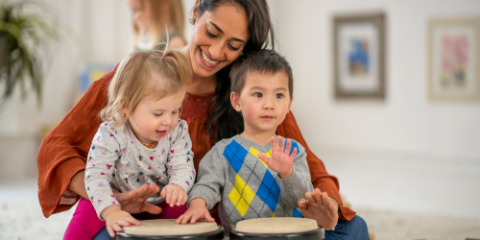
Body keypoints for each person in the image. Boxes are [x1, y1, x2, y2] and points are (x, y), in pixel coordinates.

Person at [37, 0, 367, 239]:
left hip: (235, 224)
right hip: (153, 221)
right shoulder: (135, 78)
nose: (217, 51)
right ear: (196, 11)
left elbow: (311, 168)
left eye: (233, 45)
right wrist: (108, 199)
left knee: (354, 230)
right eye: (212, 32)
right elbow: (56, 147)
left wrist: (326, 209)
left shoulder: (251, 94)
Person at [176, 50, 314, 233]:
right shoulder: (222, 152)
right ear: (237, 101)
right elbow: (205, 185)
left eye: (279, 95)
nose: (269, 104)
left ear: (289, 103)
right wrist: (197, 205)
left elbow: (304, 200)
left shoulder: (294, 150)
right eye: (258, 94)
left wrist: (287, 173)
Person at [65, 49, 196, 239]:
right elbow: (95, 176)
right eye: (158, 113)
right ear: (126, 106)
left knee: (184, 217)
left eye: (175, 111)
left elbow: (183, 165)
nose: (168, 121)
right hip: (114, 197)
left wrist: (177, 187)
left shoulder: (178, 130)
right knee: (79, 226)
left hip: (160, 199)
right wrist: (111, 211)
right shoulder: (111, 133)